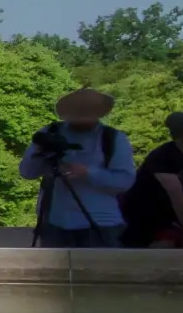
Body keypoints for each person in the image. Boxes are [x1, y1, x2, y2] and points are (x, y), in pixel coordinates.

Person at [18, 87, 139, 247]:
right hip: (55, 222)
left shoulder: (112, 138)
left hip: (100, 223)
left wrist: (87, 173)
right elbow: (27, 172)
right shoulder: (50, 133)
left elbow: (124, 181)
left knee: (100, 272)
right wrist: (39, 153)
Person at [123, 112, 183, 249]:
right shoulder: (163, 155)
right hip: (144, 215)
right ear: (180, 131)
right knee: (166, 244)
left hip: (171, 215)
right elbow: (175, 196)